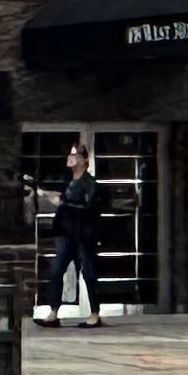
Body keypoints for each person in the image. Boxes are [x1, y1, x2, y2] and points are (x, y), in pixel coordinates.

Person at [47, 138, 105, 327]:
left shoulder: (89, 183)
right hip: (66, 233)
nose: (70, 159)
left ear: (83, 160)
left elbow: (89, 208)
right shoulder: (67, 181)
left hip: (83, 234)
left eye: (74, 155)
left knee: (88, 272)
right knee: (56, 271)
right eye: (70, 155)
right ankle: (53, 312)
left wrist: (63, 203)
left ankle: (94, 313)